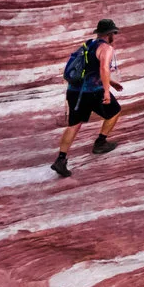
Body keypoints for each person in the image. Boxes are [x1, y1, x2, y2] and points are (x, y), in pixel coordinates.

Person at [53, 19, 125, 178]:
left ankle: (61, 159)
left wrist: (111, 83)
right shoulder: (106, 48)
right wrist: (106, 91)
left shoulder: (88, 44)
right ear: (110, 34)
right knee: (115, 112)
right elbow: (103, 68)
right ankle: (100, 143)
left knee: (74, 125)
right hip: (93, 92)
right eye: (114, 33)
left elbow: (88, 69)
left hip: (74, 92)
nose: (115, 36)